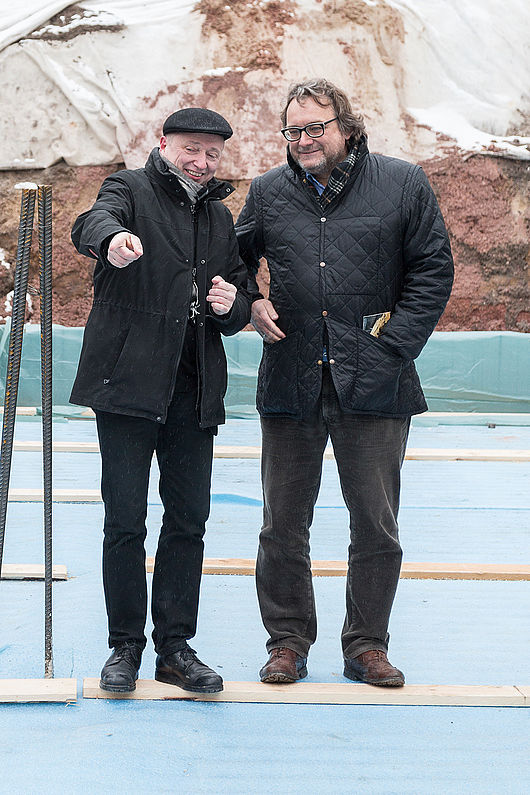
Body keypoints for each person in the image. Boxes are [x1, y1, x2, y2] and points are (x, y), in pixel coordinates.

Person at [236, 79, 454, 687]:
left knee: (376, 523)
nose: (304, 140)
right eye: (294, 130)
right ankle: (286, 642)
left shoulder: (402, 183)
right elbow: (232, 260)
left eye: (316, 128)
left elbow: (433, 270)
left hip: (375, 382)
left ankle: (366, 646)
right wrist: (251, 301)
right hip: (291, 377)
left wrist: (390, 348)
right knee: (282, 522)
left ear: (347, 129)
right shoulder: (268, 192)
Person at [70, 108, 252, 694]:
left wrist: (234, 305)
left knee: (188, 522)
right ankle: (124, 647)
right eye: (191, 149)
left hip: (193, 390)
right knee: (124, 522)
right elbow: (90, 223)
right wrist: (111, 240)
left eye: (213, 154)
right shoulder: (130, 189)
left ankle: (176, 648)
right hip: (127, 386)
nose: (201, 163)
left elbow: (242, 293)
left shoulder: (220, 217)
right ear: (164, 144)